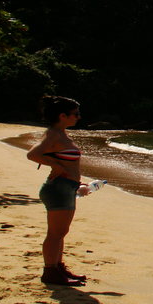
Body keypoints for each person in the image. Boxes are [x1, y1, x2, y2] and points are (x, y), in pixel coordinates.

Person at [27, 95, 91, 286]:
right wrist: (55, 166)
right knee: (55, 233)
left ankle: (57, 267)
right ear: (62, 115)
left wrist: (76, 182)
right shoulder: (54, 133)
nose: (78, 117)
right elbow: (33, 154)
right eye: (75, 114)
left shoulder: (60, 134)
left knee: (60, 232)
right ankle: (50, 272)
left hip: (66, 187)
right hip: (58, 188)